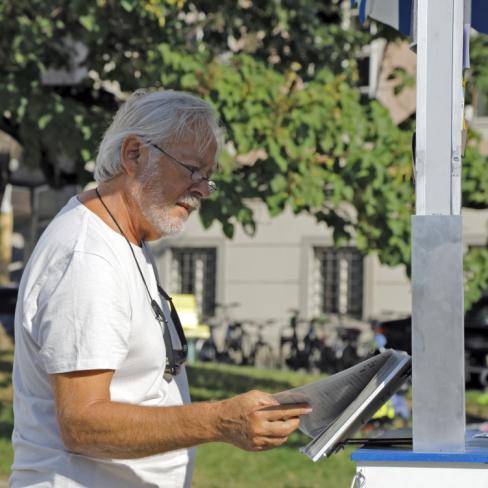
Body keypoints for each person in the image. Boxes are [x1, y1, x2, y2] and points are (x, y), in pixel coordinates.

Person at [10, 89, 311, 488]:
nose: (203, 189)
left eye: (208, 177)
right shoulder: (88, 258)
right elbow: (82, 424)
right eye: (193, 170)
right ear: (134, 155)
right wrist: (219, 421)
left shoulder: (124, 239)